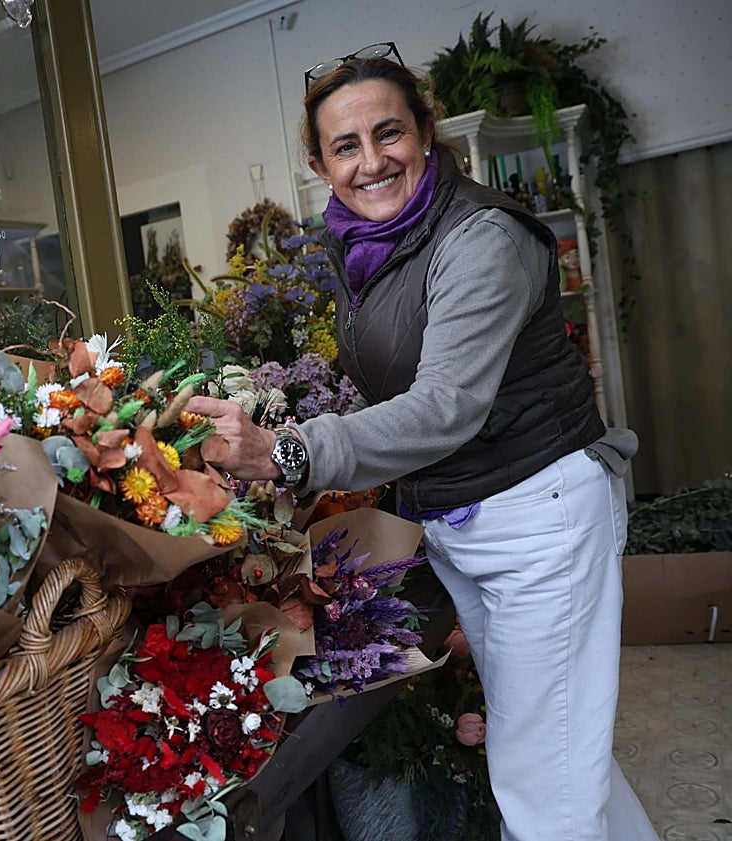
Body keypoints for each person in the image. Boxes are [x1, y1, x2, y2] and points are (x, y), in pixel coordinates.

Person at [187, 46, 659, 841]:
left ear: (427, 131)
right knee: (557, 752)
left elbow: (444, 406)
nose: (372, 161)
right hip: (465, 520)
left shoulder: (481, 237)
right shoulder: (364, 244)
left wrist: (288, 450)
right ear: (318, 164)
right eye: (346, 146)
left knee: (544, 782)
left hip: (537, 517)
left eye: (389, 133)